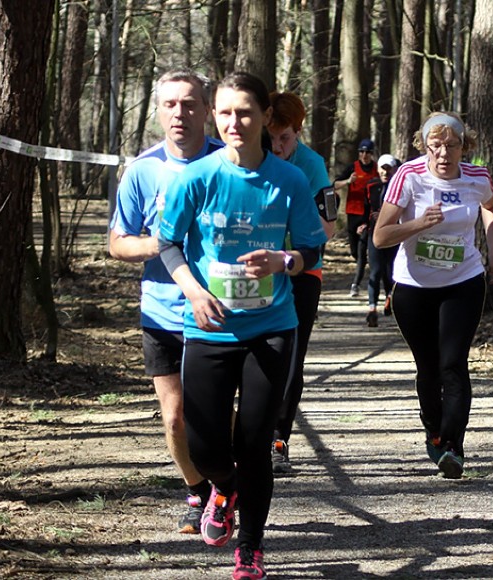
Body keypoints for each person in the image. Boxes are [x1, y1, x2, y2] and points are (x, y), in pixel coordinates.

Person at [158, 72, 327, 580]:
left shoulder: (291, 179)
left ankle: (250, 547)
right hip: (209, 325)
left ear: (264, 118)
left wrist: (285, 262)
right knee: (206, 443)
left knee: (255, 444)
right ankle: (222, 487)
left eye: (246, 113)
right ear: (216, 116)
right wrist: (192, 288)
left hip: (272, 326)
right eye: (226, 113)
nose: (235, 122)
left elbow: (313, 249)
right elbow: (169, 243)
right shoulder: (196, 177)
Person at [108, 69, 222, 534]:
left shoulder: (229, 162)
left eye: (190, 103)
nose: (180, 113)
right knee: (175, 417)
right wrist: (163, 243)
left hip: (219, 310)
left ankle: (228, 481)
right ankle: (198, 489)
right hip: (161, 310)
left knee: (216, 413)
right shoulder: (143, 170)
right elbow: (118, 243)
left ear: (207, 110)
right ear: (158, 111)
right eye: (170, 104)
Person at [372, 112, 493, 479]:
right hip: (413, 287)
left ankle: (453, 448)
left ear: (465, 146)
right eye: (436, 146)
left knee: (453, 364)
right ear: (424, 147)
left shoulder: (477, 177)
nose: (444, 154)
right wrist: (418, 224)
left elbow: (492, 209)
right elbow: (381, 237)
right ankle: (434, 432)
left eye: (452, 145)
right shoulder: (409, 176)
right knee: (428, 368)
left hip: (464, 281)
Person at [266, 91, 335, 474]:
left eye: (285, 138)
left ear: (298, 132)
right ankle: (250, 432)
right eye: (271, 136)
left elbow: (327, 227)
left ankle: (279, 438)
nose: (276, 147)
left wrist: (289, 242)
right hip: (256, 271)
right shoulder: (250, 157)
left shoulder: (312, 165)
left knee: (291, 358)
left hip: (302, 271)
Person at [334, 138, 378, 297]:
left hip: (369, 214)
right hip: (353, 212)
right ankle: (361, 262)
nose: (365, 155)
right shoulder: (353, 167)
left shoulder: (377, 169)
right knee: (354, 251)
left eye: (368, 152)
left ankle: (357, 283)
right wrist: (348, 181)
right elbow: (334, 185)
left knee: (362, 247)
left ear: (372, 154)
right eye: (362, 151)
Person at [364, 153, 400, 327]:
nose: (385, 172)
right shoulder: (371, 185)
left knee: (391, 271)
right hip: (374, 234)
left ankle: (390, 298)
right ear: (377, 169)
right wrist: (363, 223)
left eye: (388, 169)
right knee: (375, 271)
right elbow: (365, 208)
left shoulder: (400, 186)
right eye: (382, 168)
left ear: (394, 169)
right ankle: (372, 310)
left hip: (394, 234)